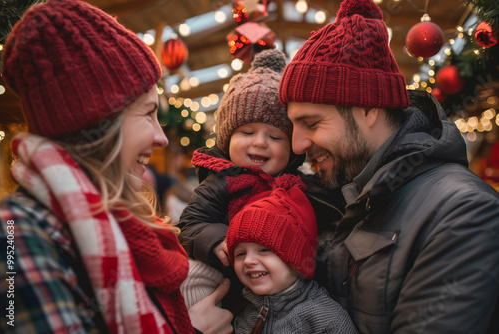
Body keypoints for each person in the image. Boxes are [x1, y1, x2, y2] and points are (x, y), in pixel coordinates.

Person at [0, 0, 232, 333]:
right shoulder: (17, 234)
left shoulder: (122, 219)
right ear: (100, 123)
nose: (161, 137)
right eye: (148, 113)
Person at [278, 0, 499, 332]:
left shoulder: (463, 211)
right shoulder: (351, 193)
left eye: (311, 122)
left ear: (369, 108)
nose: (297, 145)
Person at [176, 48, 344, 310]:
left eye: (275, 137)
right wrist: (216, 240)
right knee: (193, 276)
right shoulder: (222, 180)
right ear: (227, 138)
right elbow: (190, 222)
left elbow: (330, 210)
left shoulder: (299, 187)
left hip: (286, 292)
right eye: (247, 131)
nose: (259, 143)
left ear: (291, 149)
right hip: (229, 283)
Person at [225, 177, 358, 333]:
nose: (248, 260)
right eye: (240, 253)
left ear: (297, 260)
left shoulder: (324, 317)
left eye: (264, 250)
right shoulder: (242, 310)